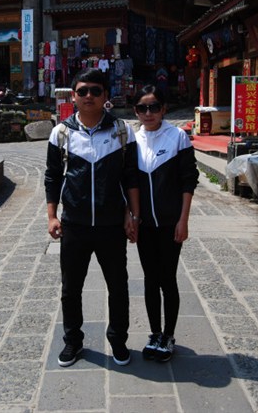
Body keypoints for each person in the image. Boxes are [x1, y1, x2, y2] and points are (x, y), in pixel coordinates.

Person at [45, 68, 140, 367]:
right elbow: (52, 177)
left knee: (118, 286)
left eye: (96, 91)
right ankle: (73, 341)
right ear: (73, 96)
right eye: (82, 91)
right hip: (75, 225)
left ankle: (118, 340)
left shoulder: (122, 131)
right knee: (70, 288)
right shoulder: (61, 133)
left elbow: (131, 177)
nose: (89, 96)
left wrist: (133, 215)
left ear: (105, 96)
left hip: (111, 226)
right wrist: (52, 216)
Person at [131, 84, 198, 362]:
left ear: (163, 109)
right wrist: (133, 218)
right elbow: (130, 183)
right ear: (136, 111)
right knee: (150, 279)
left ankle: (169, 335)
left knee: (167, 278)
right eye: (142, 108)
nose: (148, 113)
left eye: (154, 107)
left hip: (171, 223)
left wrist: (183, 220)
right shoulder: (133, 140)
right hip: (146, 225)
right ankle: (155, 333)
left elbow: (188, 181)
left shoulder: (178, 137)